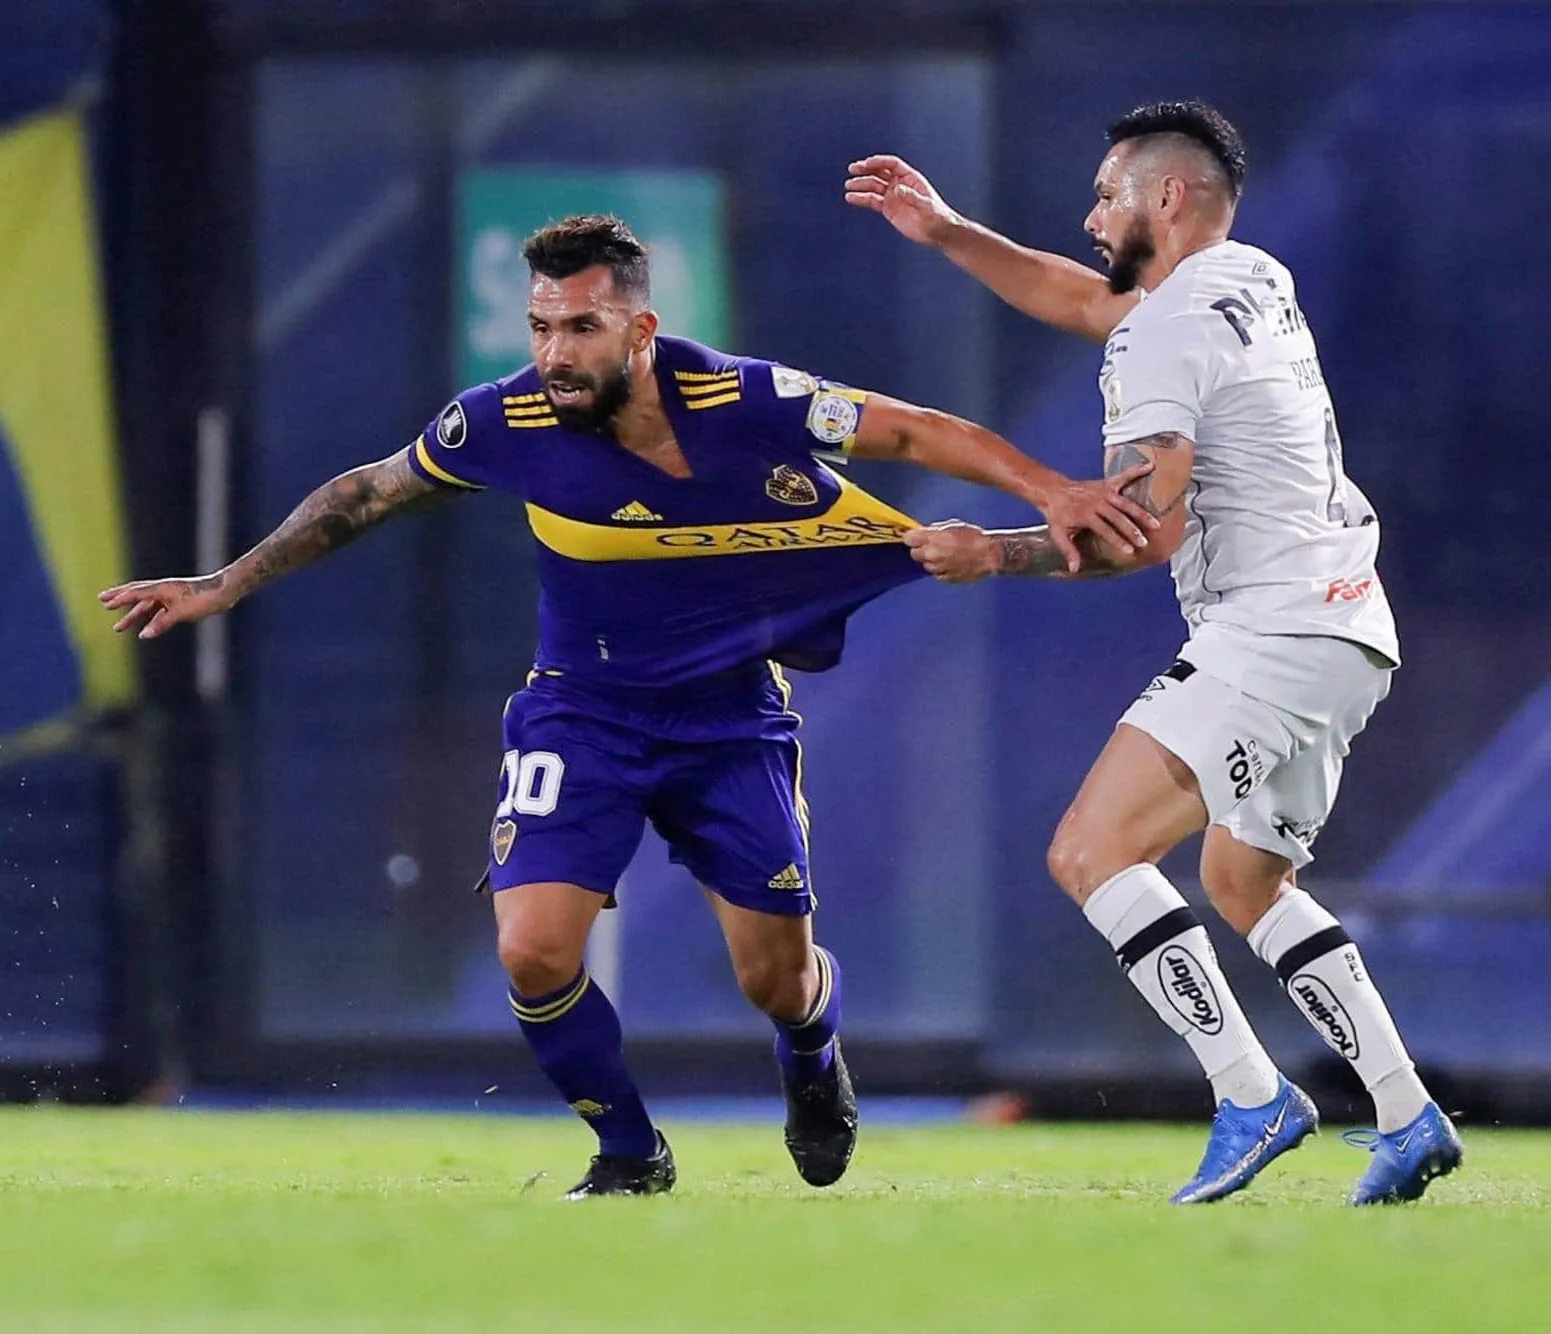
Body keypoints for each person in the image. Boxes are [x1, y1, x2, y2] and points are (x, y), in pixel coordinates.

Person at [102, 214, 1152, 1198]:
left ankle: (809, 1046)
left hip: (730, 717)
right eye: (541, 326)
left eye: (582, 327)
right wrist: (224, 581)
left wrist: (1053, 494)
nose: (555, 353)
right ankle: (627, 1150)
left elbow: (918, 434)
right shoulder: (501, 417)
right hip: (581, 710)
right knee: (532, 947)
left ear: (641, 327)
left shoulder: (746, 399)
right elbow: (366, 492)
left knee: (772, 976)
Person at [848, 101, 1462, 1204]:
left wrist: (991, 550)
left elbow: (1143, 531)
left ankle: (1249, 1094)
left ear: (1164, 198)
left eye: (1105, 193)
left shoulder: (1161, 332)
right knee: (1242, 878)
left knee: (1091, 850)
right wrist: (946, 230)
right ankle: (1407, 1112)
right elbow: (1085, 297)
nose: (1090, 214)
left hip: (1267, 626)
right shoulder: (1251, 277)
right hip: (1346, 624)